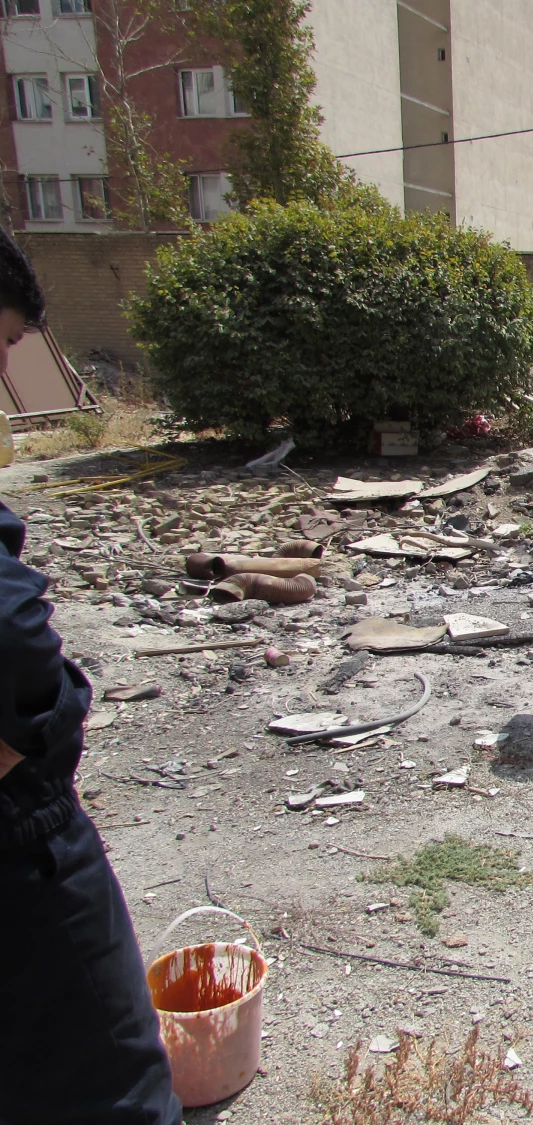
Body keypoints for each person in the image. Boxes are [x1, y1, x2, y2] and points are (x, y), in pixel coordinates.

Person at [0, 230, 181, 1123]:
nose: (6, 373)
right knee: (109, 1087)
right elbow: (15, 641)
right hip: (21, 839)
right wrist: (48, 715)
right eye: (3, 343)